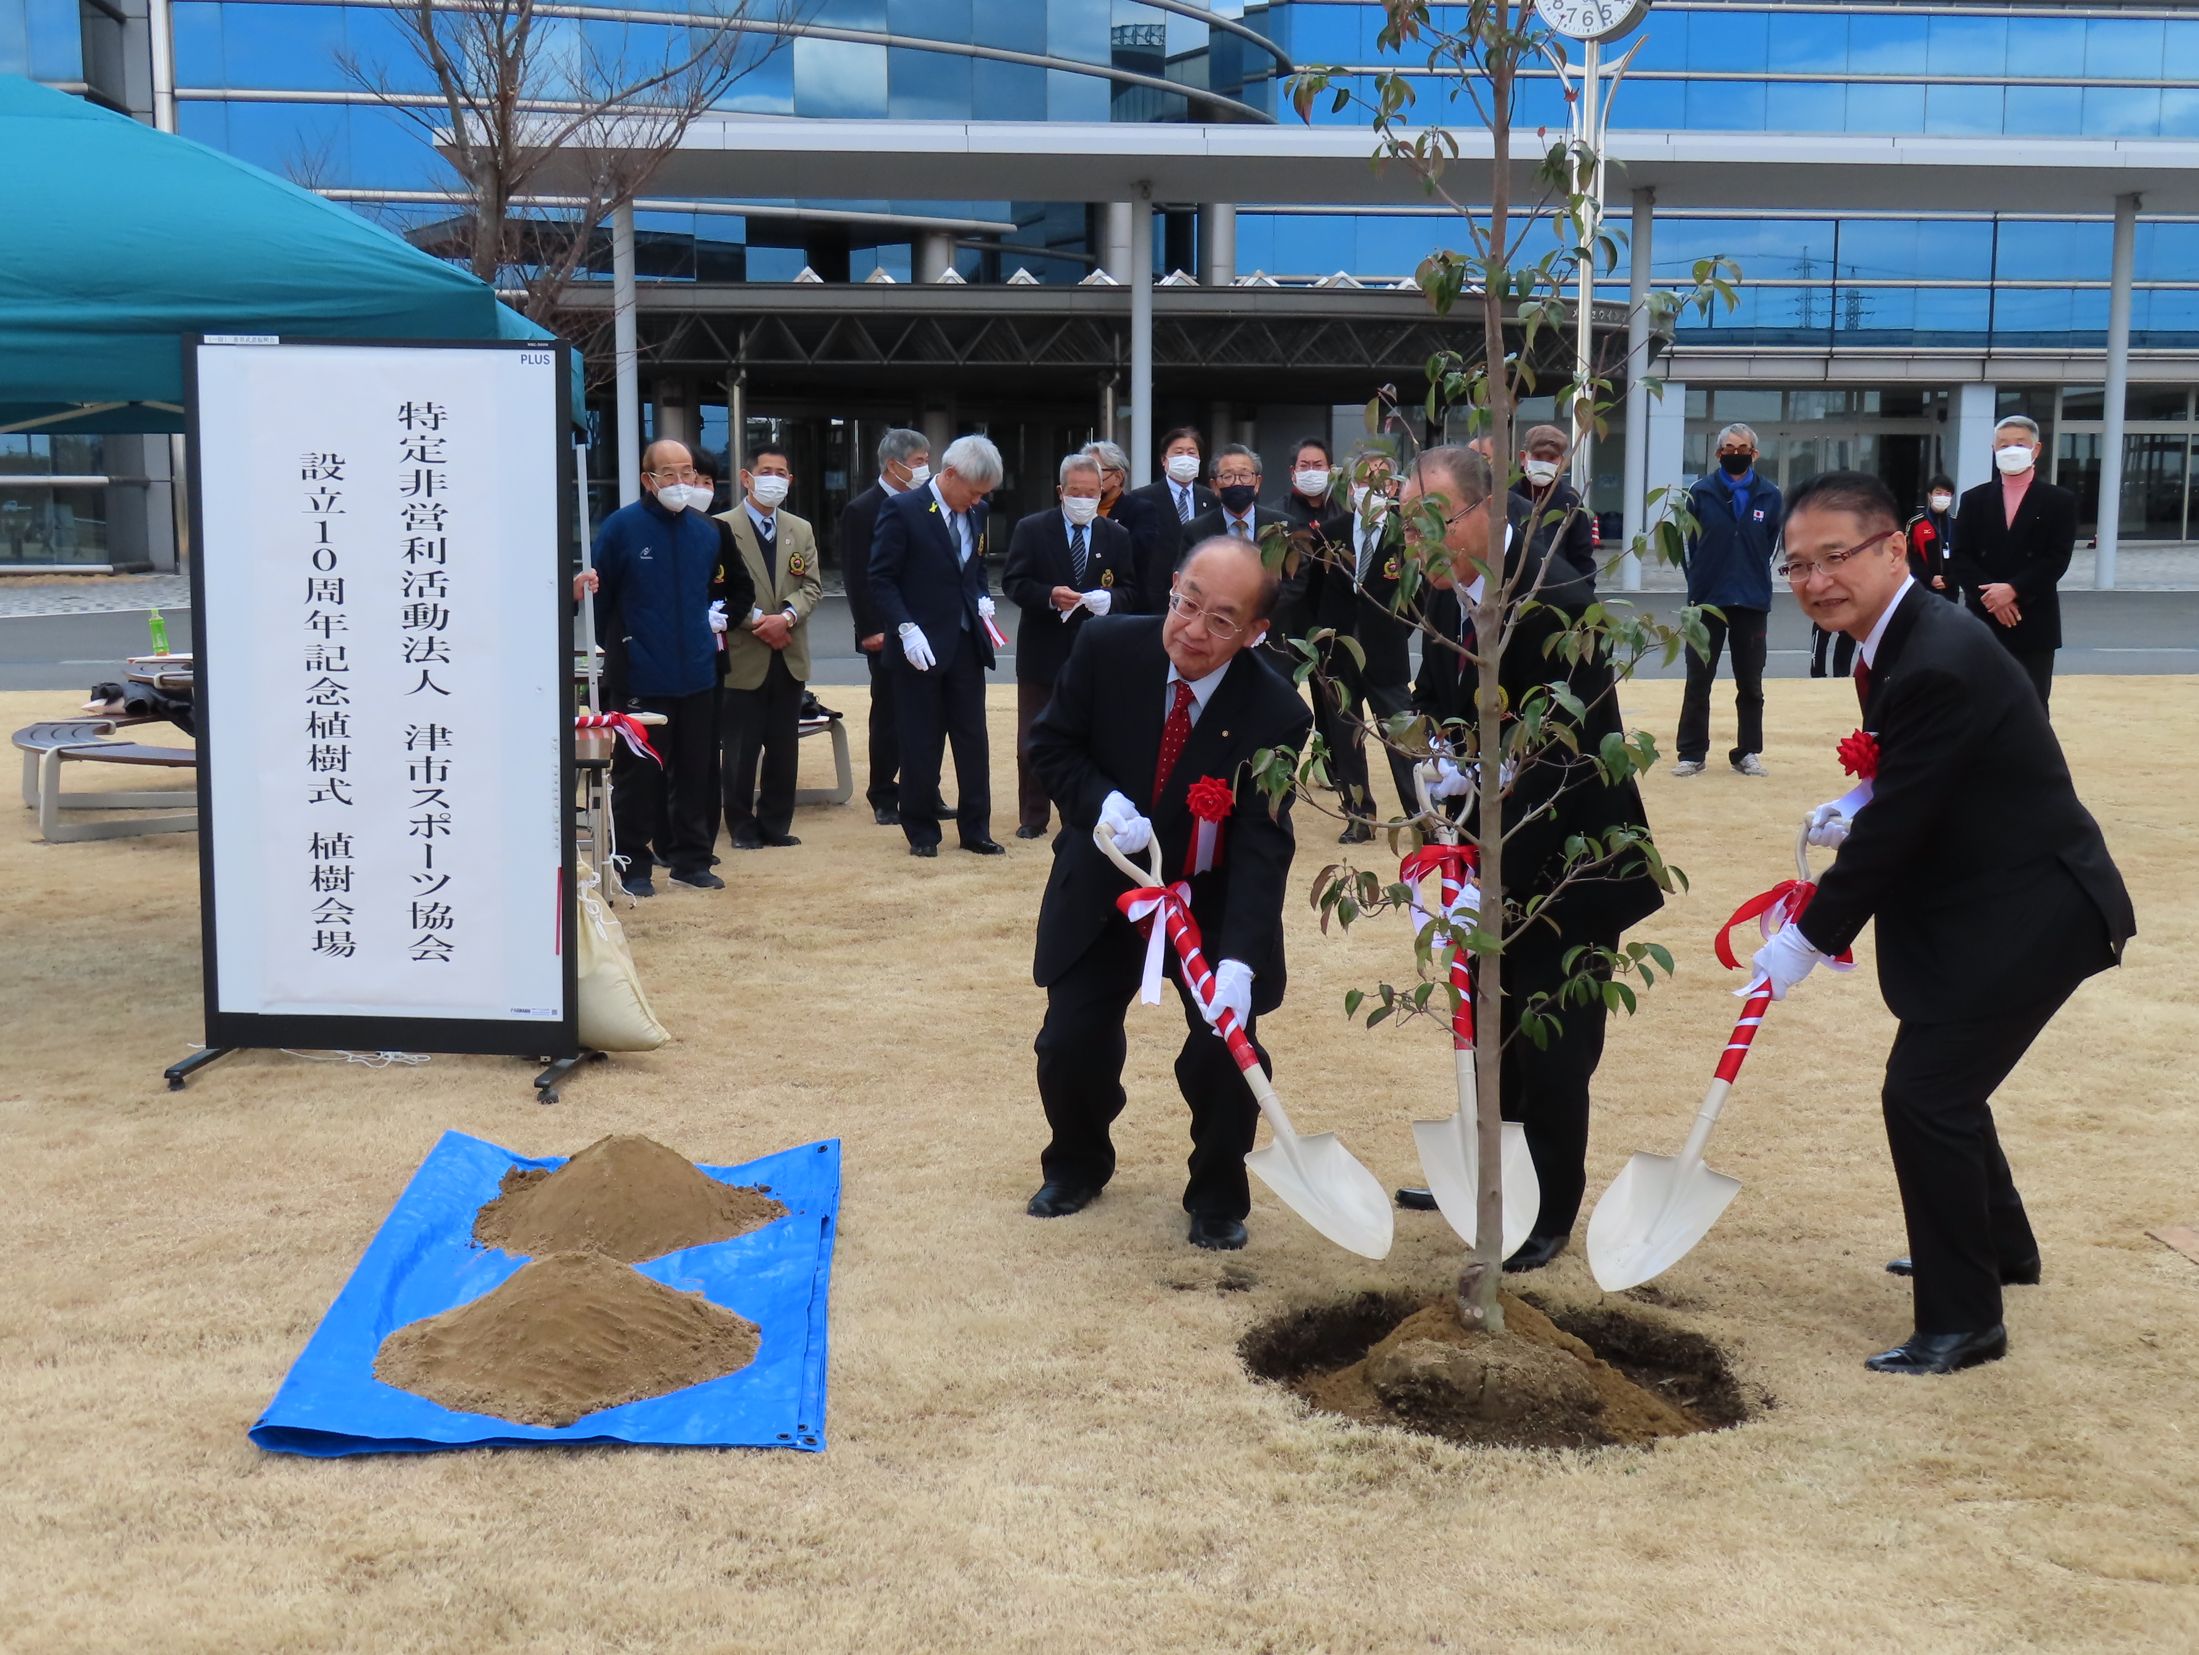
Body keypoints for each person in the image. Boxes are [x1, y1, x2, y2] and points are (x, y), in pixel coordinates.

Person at [1751, 470, 2133, 1375]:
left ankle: (1965, 1320)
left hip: (2035, 910)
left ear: (1893, 549)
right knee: (1943, 1085)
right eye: (1796, 565)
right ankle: (2000, 1249)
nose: (1812, 580)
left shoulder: (1931, 656)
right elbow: (1915, 783)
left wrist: (1807, 936)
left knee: (1925, 1093)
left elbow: (1896, 831)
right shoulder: (1895, 640)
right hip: (1993, 903)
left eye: (1833, 557)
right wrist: (1857, 795)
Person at [1404, 445, 1665, 1270]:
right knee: (1489, 1034)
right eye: (1406, 526)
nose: (1416, 543)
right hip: (1490, 862)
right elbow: (1433, 703)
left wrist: (1486, 779)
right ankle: (1491, 1178)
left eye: (1432, 522)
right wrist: (1440, 758)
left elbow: (1568, 758)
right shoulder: (1448, 597)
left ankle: (1547, 1210)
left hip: (1570, 865)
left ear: (1487, 512)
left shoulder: (1551, 604)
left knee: (1550, 1045)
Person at [1024, 535, 1314, 1250]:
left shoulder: (1276, 714)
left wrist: (1240, 961)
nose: (1193, 629)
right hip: (1107, 881)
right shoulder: (1104, 647)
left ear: (1254, 632)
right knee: (1069, 1042)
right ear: (1173, 586)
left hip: (1208, 901)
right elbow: (1051, 744)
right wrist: (1099, 806)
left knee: (1225, 1047)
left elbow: (1260, 842)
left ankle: (1217, 1194)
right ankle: (1077, 1162)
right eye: (1187, 603)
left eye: (1222, 620)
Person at [572, 439, 726, 897]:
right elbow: (601, 598)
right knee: (638, 778)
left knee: (697, 771)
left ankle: (691, 860)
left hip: (698, 671)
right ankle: (633, 864)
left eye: (688, 472)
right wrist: (615, 649)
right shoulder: (622, 528)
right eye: (670, 474)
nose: (682, 483)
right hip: (640, 672)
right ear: (648, 480)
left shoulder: (706, 531)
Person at [869, 432, 1006, 858]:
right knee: (919, 739)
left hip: (966, 640)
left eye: (985, 494)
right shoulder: (902, 510)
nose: (978, 500)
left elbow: (974, 567)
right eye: (974, 491)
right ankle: (922, 829)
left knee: (973, 739)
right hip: (919, 645)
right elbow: (881, 578)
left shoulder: (976, 512)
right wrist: (904, 628)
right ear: (949, 474)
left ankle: (976, 828)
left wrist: (981, 598)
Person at [1001, 452, 1139, 839]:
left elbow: (1130, 589)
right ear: (1061, 491)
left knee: (1092, 737)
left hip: (1097, 653)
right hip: (1042, 649)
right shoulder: (1032, 529)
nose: (1084, 499)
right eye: (1076, 492)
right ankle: (1033, 816)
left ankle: (1082, 809)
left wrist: (1109, 601)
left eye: (1092, 493)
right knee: (1034, 737)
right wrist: (1049, 595)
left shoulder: (1116, 535)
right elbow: (1013, 582)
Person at [1304, 446, 1417, 843]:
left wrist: (1392, 632)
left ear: (1394, 486)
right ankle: (1359, 816)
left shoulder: (1406, 532)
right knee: (1345, 739)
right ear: (1350, 486)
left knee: (1402, 739)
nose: (1371, 487)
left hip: (1386, 654)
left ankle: (1420, 817)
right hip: (1337, 656)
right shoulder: (1330, 533)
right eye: (1363, 479)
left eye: (1381, 479)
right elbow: (1313, 594)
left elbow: (1417, 600)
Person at [717, 444, 822, 851]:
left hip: (789, 653)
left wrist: (788, 617)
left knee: (783, 747)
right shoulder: (721, 526)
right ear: (747, 478)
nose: (774, 479)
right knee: (741, 748)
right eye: (766, 471)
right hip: (745, 652)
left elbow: (812, 586)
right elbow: (717, 590)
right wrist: (759, 620)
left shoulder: (801, 529)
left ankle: (776, 823)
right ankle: (741, 826)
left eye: (782, 472)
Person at [1674, 422, 1782, 779]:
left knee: (1750, 683)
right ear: (1719, 453)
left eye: (1744, 448)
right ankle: (1691, 753)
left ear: (1755, 453)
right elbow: (1690, 547)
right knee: (1697, 680)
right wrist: (1699, 585)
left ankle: (1747, 751)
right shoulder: (1700, 492)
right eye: (1729, 448)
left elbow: (1770, 545)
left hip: (1751, 601)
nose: (1736, 454)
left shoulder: (1770, 495)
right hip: (1706, 603)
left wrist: (1749, 574)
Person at [1947, 417, 2076, 709]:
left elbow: (2056, 558)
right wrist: (1993, 598)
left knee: (2031, 706)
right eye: (2004, 445)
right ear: (1993, 449)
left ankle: (2031, 757)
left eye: (2020, 444)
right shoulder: (1974, 499)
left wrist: (2014, 590)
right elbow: (1960, 556)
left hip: (2033, 619)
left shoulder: (2059, 501)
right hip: (1983, 618)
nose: (2011, 450)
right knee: (1978, 704)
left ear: (2036, 449)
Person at [840, 428, 931, 826]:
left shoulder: (929, 503)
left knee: (929, 713)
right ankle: (883, 792)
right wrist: (869, 628)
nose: (926, 469)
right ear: (894, 465)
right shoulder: (863, 509)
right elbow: (858, 576)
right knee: (890, 714)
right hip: (884, 629)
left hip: (926, 626)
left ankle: (924, 788)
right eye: (919, 462)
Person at [691, 457, 757, 859]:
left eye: (705, 480)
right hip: (663, 659)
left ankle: (703, 838)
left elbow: (741, 588)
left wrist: (724, 618)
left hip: (711, 655)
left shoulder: (719, 531)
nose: (698, 487)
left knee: (706, 749)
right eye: (690, 479)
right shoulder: (641, 529)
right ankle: (668, 838)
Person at [1185, 444, 1293, 665]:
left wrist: (1259, 614)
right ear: (1215, 486)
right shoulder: (1196, 531)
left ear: (1257, 482)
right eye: (1228, 476)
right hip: (1215, 637)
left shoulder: (1282, 525)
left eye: (1244, 475)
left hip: (1272, 639)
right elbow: (1187, 582)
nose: (1237, 483)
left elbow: (1296, 580)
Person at [1117, 427, 1217, 613]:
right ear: (1164, 460)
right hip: (1153, 599)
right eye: (1178, 452)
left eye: (1191, 452)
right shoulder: (1140, 499)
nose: (1185, 457)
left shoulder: (1211, 499)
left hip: (1201, 597)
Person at [1515, 423, 1597, 590]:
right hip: (1512, 592)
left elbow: (1582, 559)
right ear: (1524, 457)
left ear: (1562, 463)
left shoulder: (1571, 501)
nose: (1544, 464)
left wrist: (1585, 600)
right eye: (1537, 456)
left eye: (1551, 459)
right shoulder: (1507, 497)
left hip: (1556, 591)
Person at [1906, 473, 1960, 602]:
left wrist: (1950, 579)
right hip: (1924, 588)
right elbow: (1910, 557)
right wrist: (1929, 578)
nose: (1943, 497)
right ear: (1930, 495)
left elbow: (1963, 557)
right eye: (1938, 493)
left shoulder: (1957, 523)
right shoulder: (1916, 523)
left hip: (1951, 591)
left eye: (1947, 494)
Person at [1084, 440, 1131, 521]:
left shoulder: (1138, 511)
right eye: (1084, 470)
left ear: (1118, 477)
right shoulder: (1073, 510)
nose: (1086, 477)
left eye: (1095, 471)